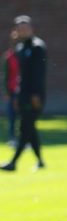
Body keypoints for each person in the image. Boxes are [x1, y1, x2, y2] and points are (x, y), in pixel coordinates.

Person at [1, 16, 46, 171]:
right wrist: (17, 95)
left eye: (25, 28)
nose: (23, 31)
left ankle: (13, 162)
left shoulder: (38, 47)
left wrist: (36, 95)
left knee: (25, 128)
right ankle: (40, 161)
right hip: (22, 95)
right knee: (30, 128)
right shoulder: (20, 48)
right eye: (20, 29)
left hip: (34, 96)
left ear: (31, 29)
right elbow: (20, 75)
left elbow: (38, 75)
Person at [2, 29, 19, 147]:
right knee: (12, 115)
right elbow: (5, 75)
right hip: (12, 89)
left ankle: (24, 138)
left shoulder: (25, 54)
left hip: (24, 90)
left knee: (24, 116)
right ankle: (12, 138)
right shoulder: (9, 56)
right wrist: (6, 92)